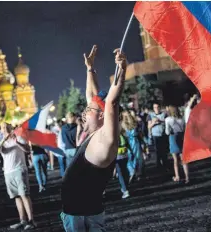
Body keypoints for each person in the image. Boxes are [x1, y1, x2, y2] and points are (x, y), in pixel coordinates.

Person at [60, 45, 126, 231]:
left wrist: (122, 69)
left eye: (89, 110)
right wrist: (90, 69)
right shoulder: (95, 133)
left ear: (102, 115)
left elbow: (112, 102)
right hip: (79, 214)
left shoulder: (106, 137)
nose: (84, 112)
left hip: (84, 218)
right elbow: (93, 96)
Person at [0, 122, 36, 230]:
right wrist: (3, 140)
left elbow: (28, 149)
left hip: (19, 169)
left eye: (6, 127)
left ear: (11, 128)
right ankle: (23, 220)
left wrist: (17, 142)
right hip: (8, 172)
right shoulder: (1, 142)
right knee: (16, 197)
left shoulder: (19, 137)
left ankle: (31, 221)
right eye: (3, 127)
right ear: (1, 130)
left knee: (24, 195)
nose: (5, 128)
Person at [165, 106, 189, 183]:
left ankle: (177, 176)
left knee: (175, 160)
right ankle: (187, 177)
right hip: (181, 138)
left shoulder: (168, 119)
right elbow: (184, 129)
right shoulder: (181, 119)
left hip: (173, 138)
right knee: (183, 159)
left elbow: (167, 132)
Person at [148, 103, 168, 171]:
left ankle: (165, 165)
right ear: (153, 108)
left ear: (160, 107)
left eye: (157, 107)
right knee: (157, 152)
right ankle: (158, 166)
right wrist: (153, 123)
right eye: (155, 107)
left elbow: (167, 122)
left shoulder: (164, 114)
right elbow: (149, 127)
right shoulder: (150, 115)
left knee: (164, 151)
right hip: (155, 136)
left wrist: (160, 121)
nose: (156, 109)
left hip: (163, 135)